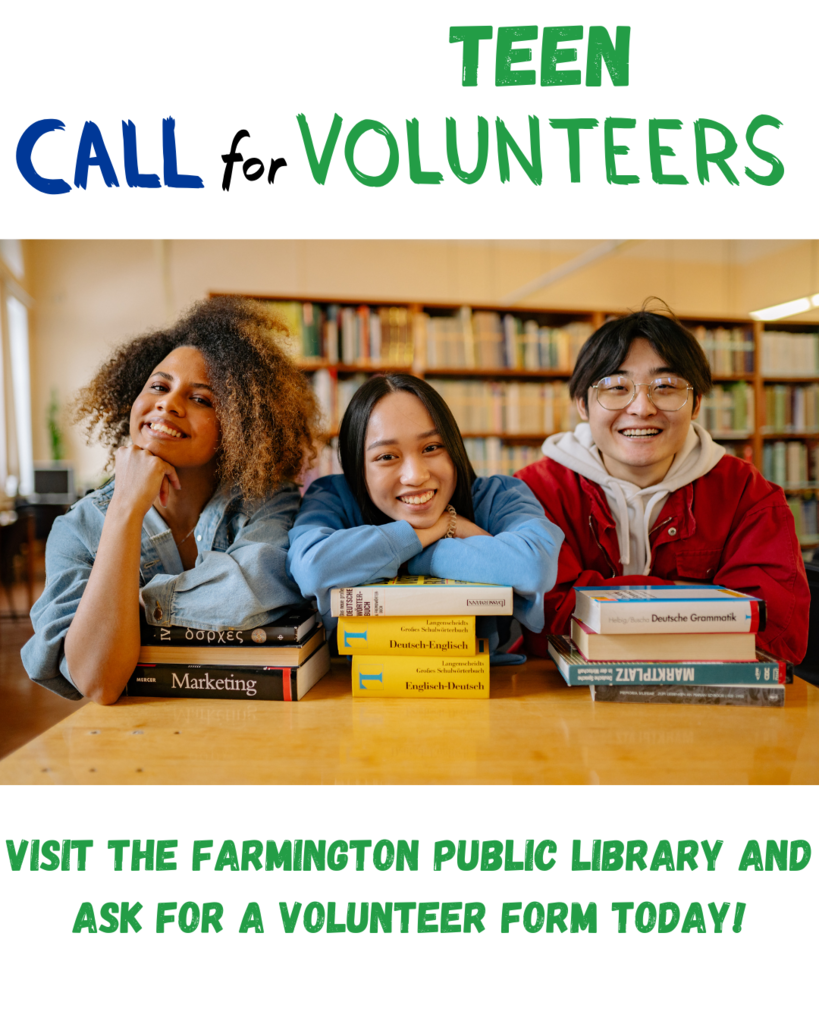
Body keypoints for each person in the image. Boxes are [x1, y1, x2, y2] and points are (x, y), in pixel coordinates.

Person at [22, 297, 322, 704]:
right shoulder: (78, 529)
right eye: (159, 387)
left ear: (239, 426)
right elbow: (98, 682)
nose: (168, 403)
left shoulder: (269, 503)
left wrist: (125, 611)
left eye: (201, 399)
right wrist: (125, 510)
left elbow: (253, 587)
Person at [515, 306, 809, 663]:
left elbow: (772, 633)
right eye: (616, 387)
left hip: (712, 706)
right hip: (563, 705)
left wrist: (602, 604)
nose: (641, 407)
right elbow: (537, 622)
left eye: (666, 387)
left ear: (696, 402)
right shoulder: (533, 492)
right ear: (583, 404)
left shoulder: (748, 494)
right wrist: (696, 600)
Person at [287, 373, 564, 657]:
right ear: (358, 466)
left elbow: (534, 566)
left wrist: (414, 558)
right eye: (387, 456)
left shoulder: (498, 495)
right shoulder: (333, 496)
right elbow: (313, 568)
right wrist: (441, 527)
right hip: (350, 688)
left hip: (478, 684)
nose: (416, 476)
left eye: (431, 448)